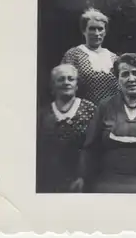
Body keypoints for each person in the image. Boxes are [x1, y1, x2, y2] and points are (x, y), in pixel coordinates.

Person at [71, 53, 136, 193]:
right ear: (117, 79)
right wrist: (82, 176)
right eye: (125, 74)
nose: (131, 79)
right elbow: (90, 147)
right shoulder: (106, 106)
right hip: (108, 179)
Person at [36, 64, 96, 193]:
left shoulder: (90, 109)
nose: (66, 82)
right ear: (53, 85)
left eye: (70, 79)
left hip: (83, 179)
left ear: (77, 84)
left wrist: (84, 176)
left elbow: (95, 147)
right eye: (61, 79)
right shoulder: (43, 113)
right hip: (50, 179)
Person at [61, 8, 118, 105]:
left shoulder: (114, 58)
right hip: (84, 113)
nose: (96, 33)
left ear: (105, 32)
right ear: (84, 31)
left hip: (111, 113)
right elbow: (63, 86)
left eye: (100, 29)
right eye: (92, 29)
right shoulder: (74, 55)